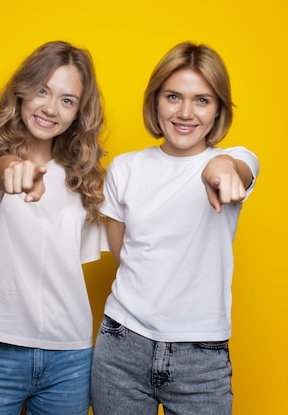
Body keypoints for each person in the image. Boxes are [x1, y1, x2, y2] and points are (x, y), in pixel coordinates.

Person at [0, 41, 107, 415]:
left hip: (71, 358)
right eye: (42, 90)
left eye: (67, 100)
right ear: (21, 92)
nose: (50, 108)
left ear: (79, 112)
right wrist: (12, 168)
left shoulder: (84, 180)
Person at [90, 42, 260, 415]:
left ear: (218, 110)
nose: (185, 112)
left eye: (202, 100)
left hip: (202, 356)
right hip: (122, 345)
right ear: (156, 101)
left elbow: (241, 166)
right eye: (173, 97)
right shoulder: (124, 169)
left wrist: (222, 170)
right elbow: (124, 257)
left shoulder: (232, 163)